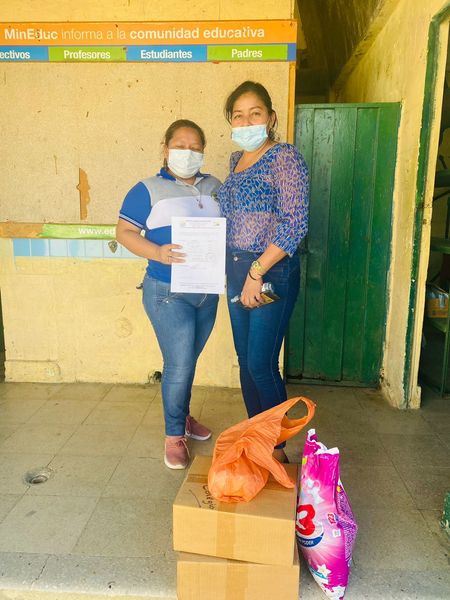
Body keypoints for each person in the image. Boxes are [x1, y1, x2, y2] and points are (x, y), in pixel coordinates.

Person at [116, 119, 221, 470]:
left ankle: (183, 417)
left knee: (188, 360)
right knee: (179, 364)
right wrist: (158, 252)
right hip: (167, 292)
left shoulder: (215, 186)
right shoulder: (146, 190)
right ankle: (174, 436)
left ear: (203, 152)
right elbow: (124, 232)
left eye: (195, 147)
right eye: (179, 146)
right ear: (165, 149)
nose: (187, 153)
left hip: (206, 292)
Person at [218, 81, 309, 464]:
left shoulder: (284, 157)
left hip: (269, 269)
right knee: (245, 361)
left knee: (261, 363)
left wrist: (256, 272)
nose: (246, 121)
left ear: (270, 118)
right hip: (236, 267)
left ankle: (277, 449)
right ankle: (258, 438)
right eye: (238, 115)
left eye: (254, 113)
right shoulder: (234, 161)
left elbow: (295, 222)